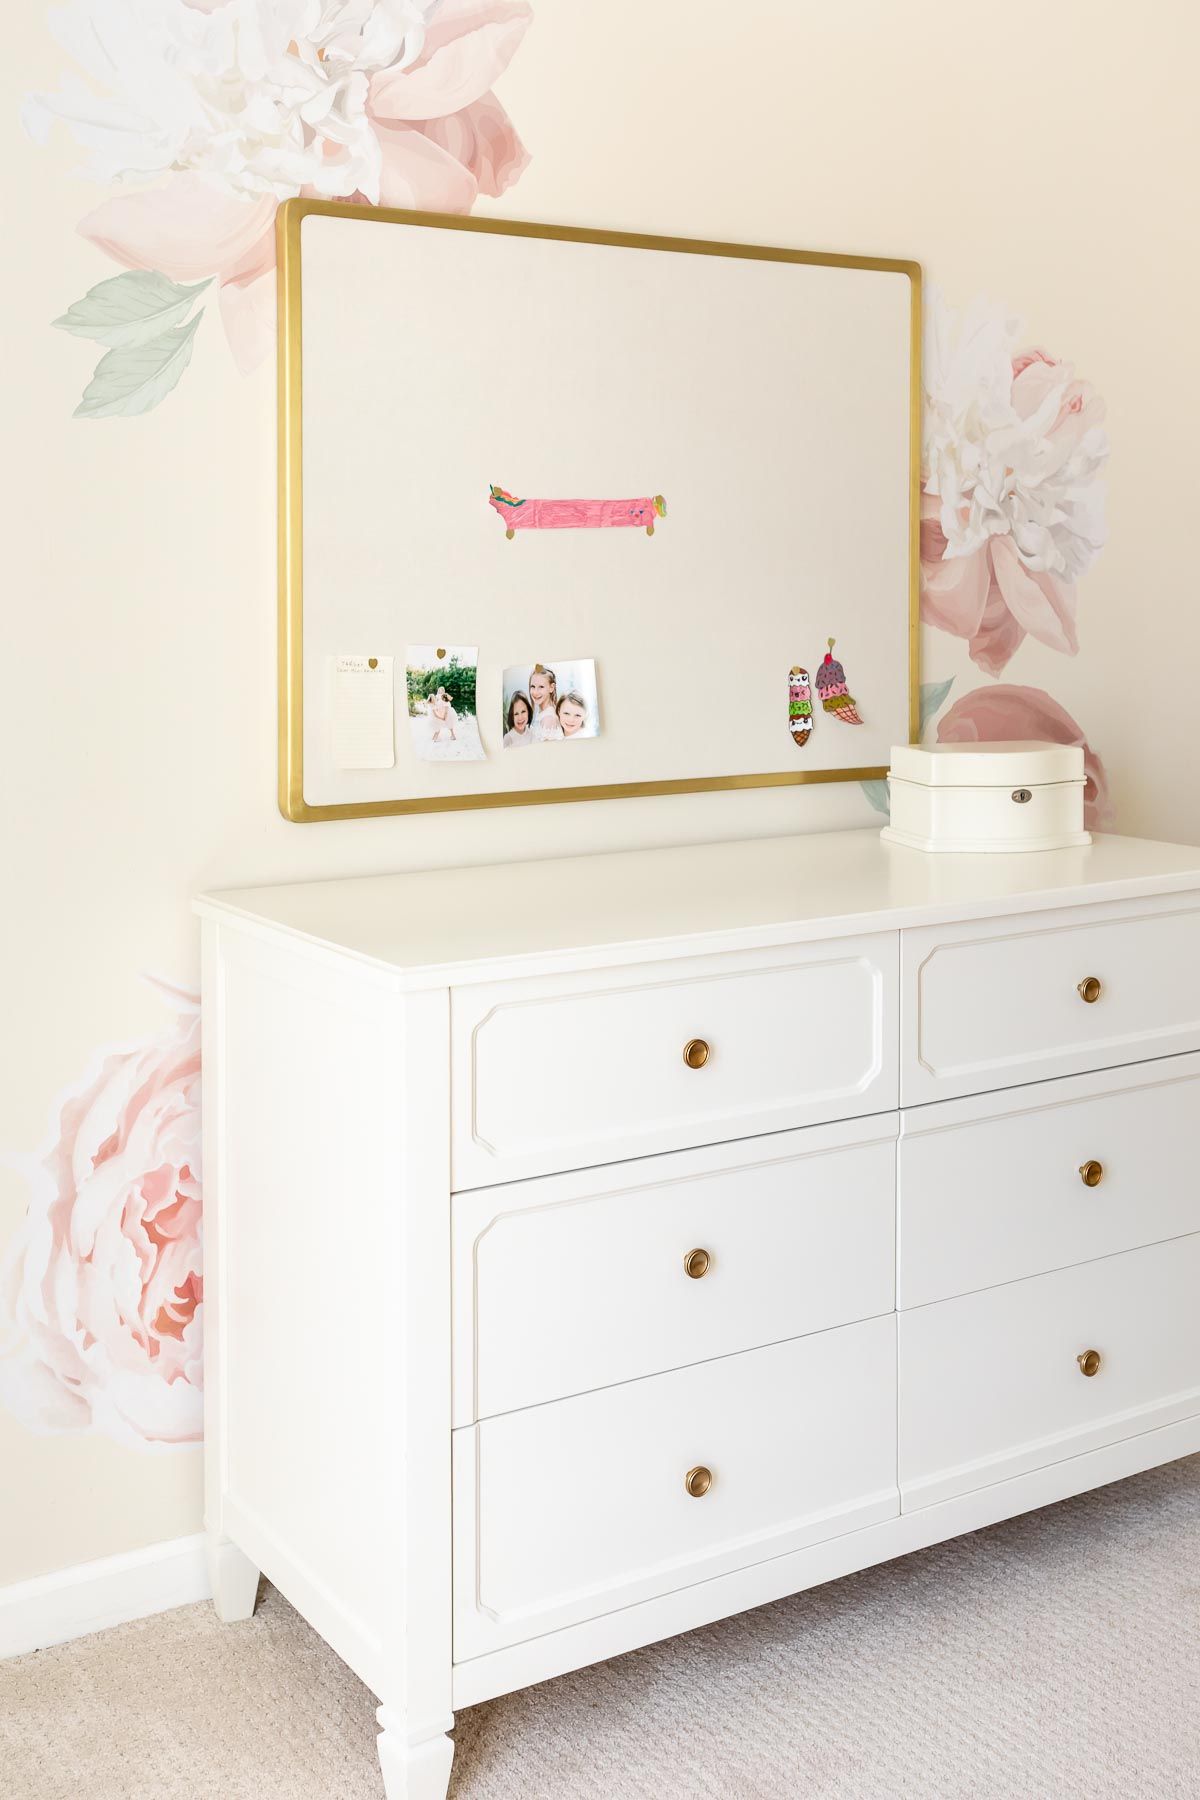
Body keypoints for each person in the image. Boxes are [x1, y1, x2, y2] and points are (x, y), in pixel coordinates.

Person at [528, 664, 560, 739]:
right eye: (533, 686)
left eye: (541, 687)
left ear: (551, 688)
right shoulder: (542, 712)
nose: (535, 692)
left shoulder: (548, 718)